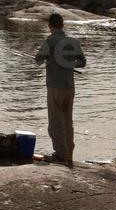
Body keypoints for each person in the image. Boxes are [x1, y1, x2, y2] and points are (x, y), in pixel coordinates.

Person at [35, 12, 86, 167]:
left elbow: (38, 60)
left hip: (55, 88)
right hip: (70, 88)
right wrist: (70, 65)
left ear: (50, 26)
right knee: (67, 122)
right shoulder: (73, 42)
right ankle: (69, 154)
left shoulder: (49, 41)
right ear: (63, 25)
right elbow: (82, 62)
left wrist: (49, 59)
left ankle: (59, 154)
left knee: (55, 122)